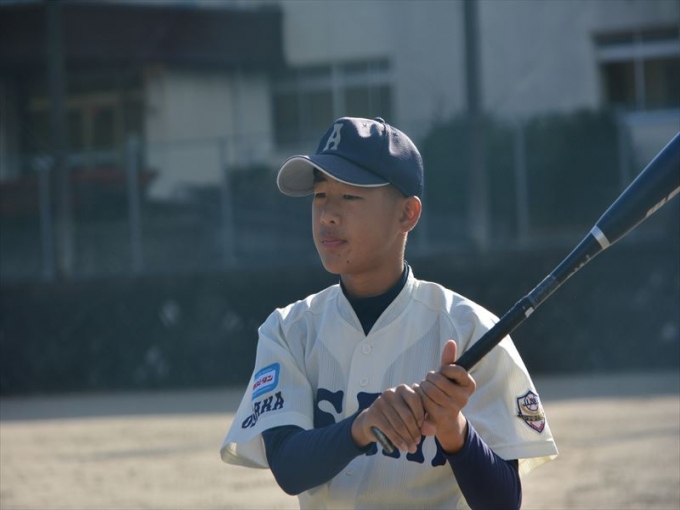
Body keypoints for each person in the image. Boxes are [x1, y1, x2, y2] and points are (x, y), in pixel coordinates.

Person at [220, 117, 558, 509]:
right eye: (320, 195)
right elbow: (289, 467)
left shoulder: (471, 329)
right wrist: (362, 426)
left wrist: (455, 429)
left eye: (349, 196)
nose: (327, 214)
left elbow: (503, 502)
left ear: (407, 214)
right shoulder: (288, 329)